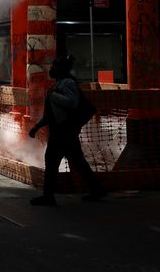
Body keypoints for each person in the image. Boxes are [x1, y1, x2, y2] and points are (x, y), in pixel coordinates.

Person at [28, 56, 106, 206]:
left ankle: (48, 196)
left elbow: (73, 102)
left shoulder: (67, 83)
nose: (51, 69)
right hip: (63, 131)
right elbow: (49, 115)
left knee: (51, 161)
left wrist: (54, 95)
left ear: (61, 69)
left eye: (54, 66)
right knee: (77, 161)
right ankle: (97, 189)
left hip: (64, 131)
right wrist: (37, 126)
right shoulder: (59, 84)